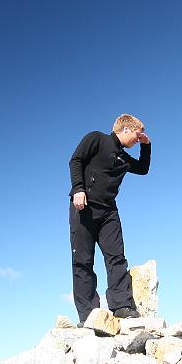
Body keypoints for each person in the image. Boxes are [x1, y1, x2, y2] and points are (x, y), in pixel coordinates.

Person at [69, 113, 151, 324]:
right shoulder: (96, 138)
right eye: (137, 133)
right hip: (84, 207)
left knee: (116, 258)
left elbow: (143, 169)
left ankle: (121, 306)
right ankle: (88, 315)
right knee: (83, 262)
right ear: (125, 129)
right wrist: (78, 189)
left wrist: (146, 145)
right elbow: (75, 160)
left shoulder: (123, 157)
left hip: (109, 213)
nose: (138, 137)